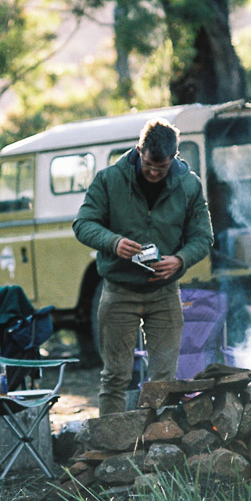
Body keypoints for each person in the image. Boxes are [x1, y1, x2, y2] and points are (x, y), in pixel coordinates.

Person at [73, 118, 214, 416]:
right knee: (115, 376)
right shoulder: (109, 179)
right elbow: (83, 224)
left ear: (173, 158)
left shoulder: (189, 185)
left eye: (161, 168)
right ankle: (111, 445)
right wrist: (113, 242)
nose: (153, 172)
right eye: (149, 164)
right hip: (118, 291)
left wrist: (181, 259)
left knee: (164, 378)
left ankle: (157, 440)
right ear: (139, 150)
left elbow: (203, 237)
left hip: (164, 293)